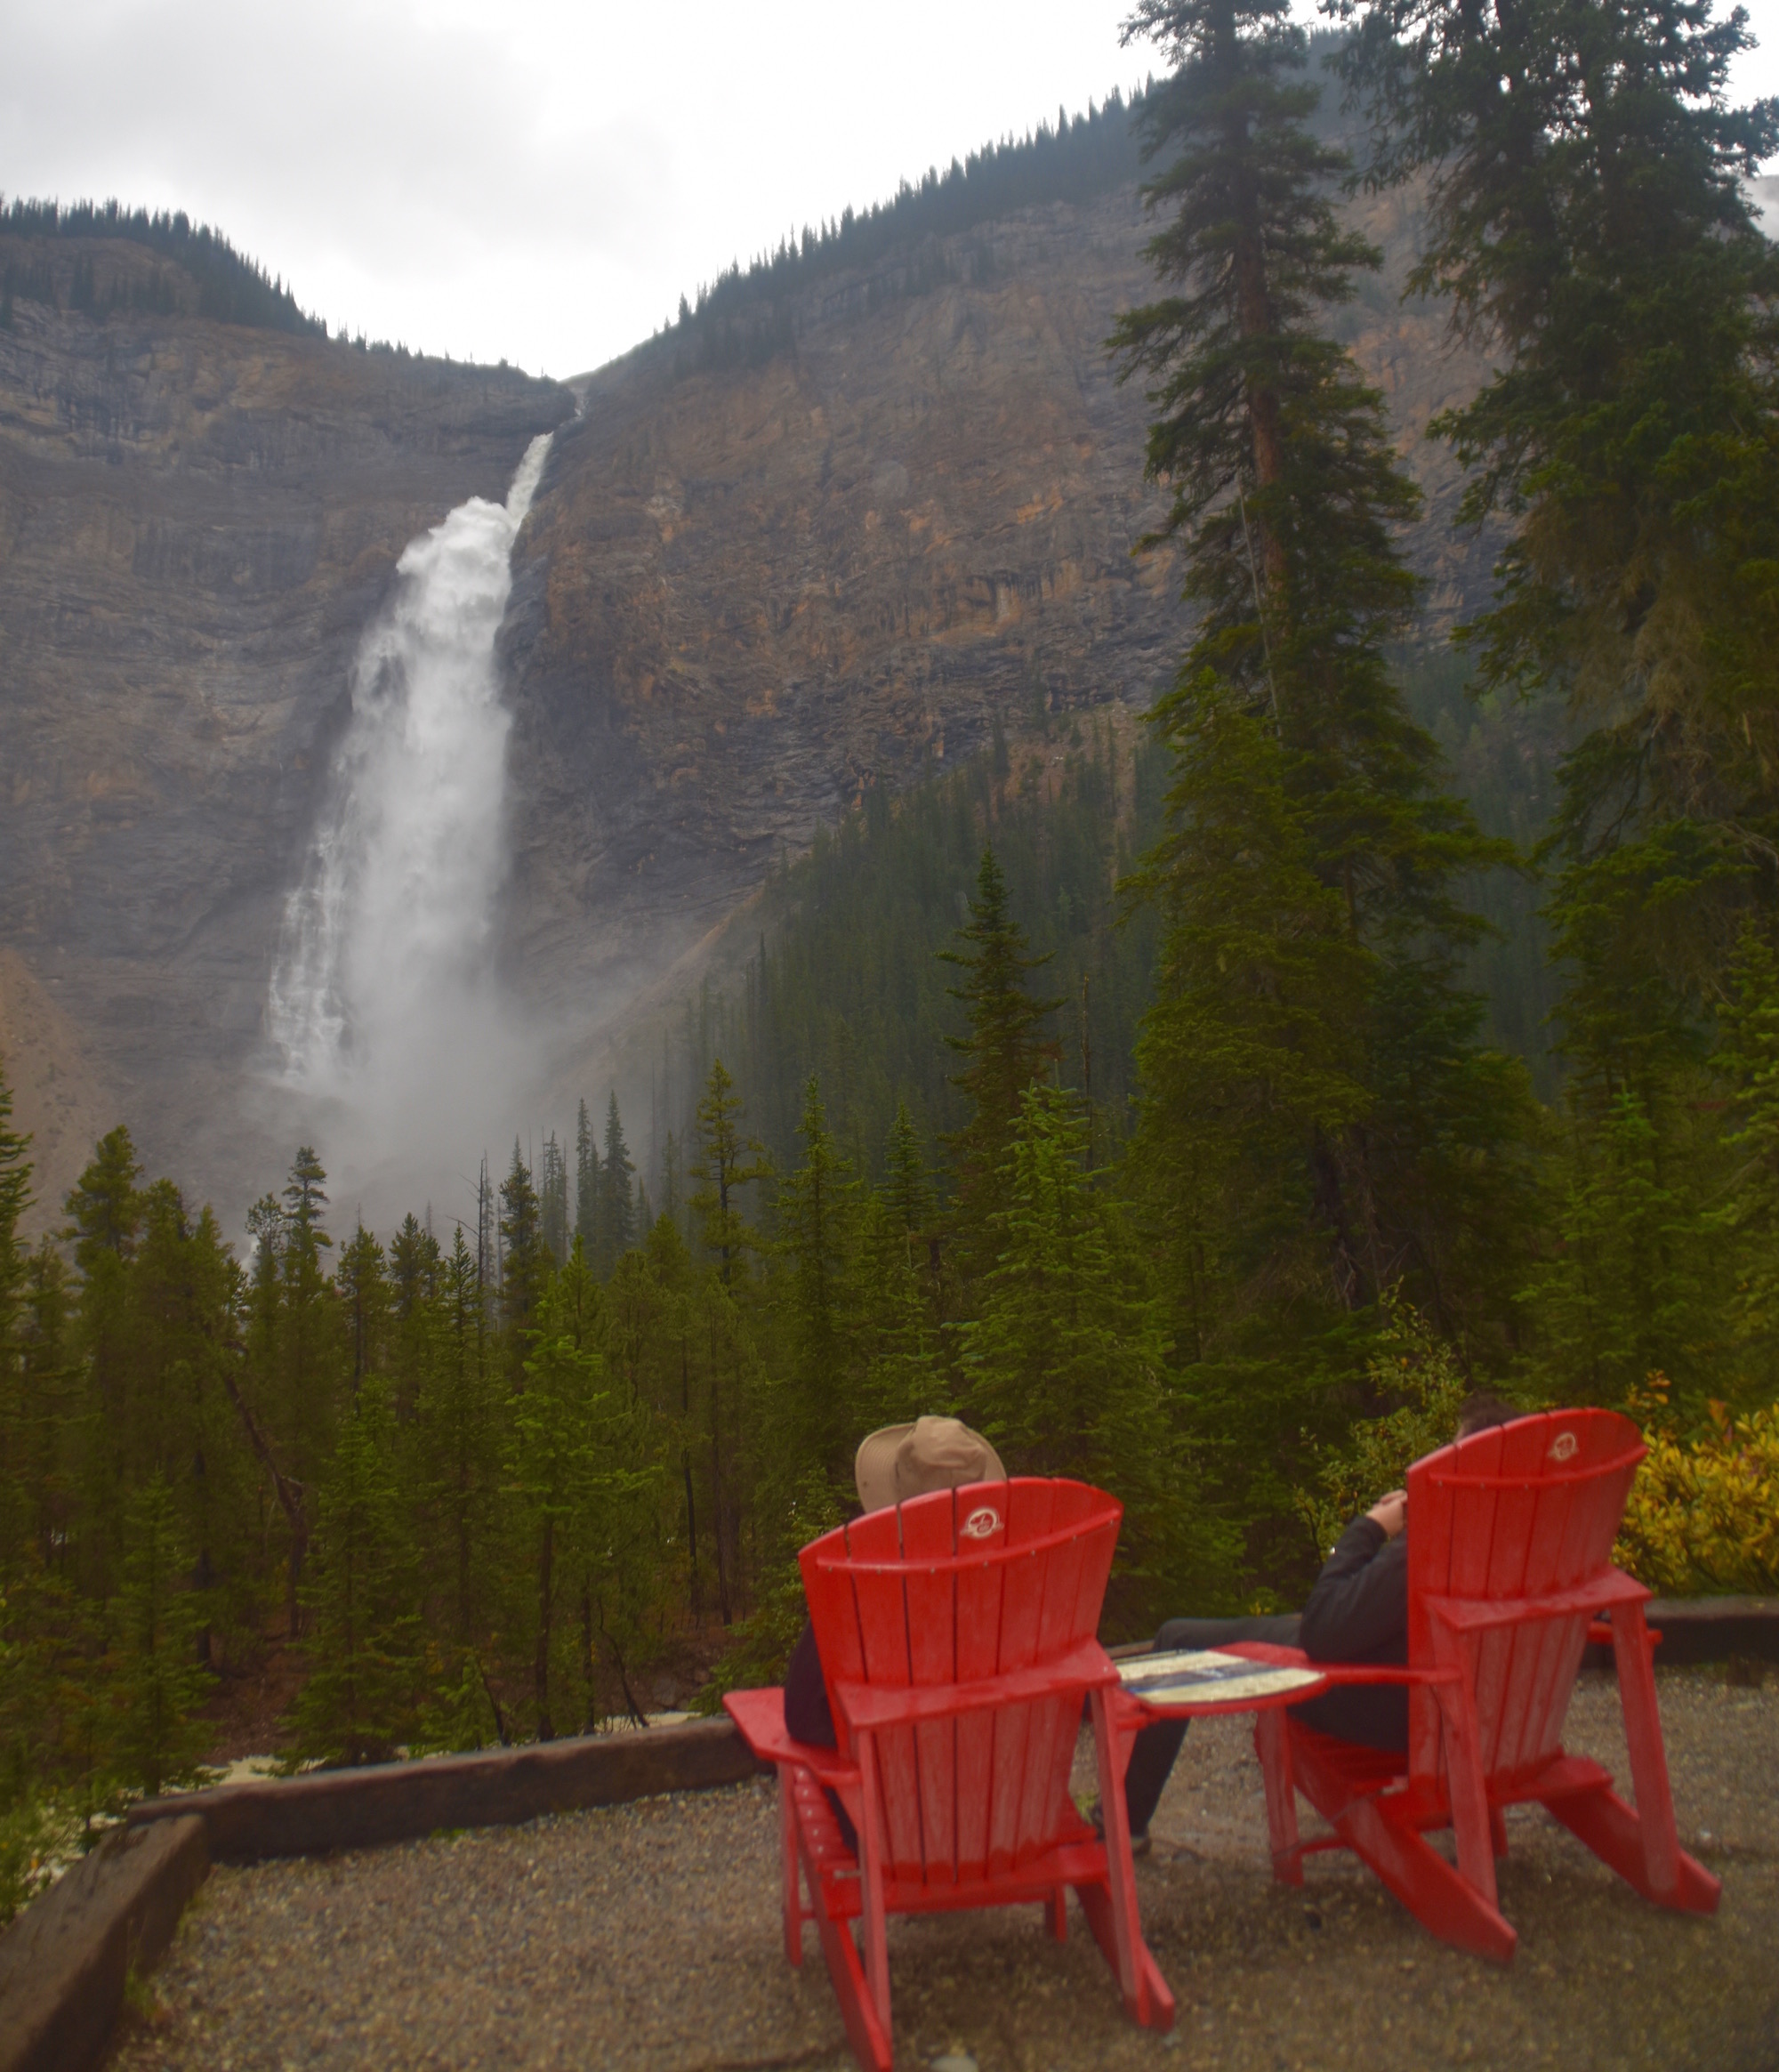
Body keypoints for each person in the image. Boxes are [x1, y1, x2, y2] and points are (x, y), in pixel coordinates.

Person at [1118, 1393, 1525, 1846]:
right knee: (1239, 1631)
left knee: (1180, 1638)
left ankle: (1121, 1825)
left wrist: (1370, 1526)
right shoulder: (1527, 1545)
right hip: (1475, 1714)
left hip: (1394, 1708)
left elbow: (1323, 1631)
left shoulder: (1435, 1548)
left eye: (1454, 1457)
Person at [783, 1415, 1007, 1763]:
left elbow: (801, 1715)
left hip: (887, 1804)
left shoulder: (860, 1587)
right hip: (1004, 1797)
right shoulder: (1017, 1582)